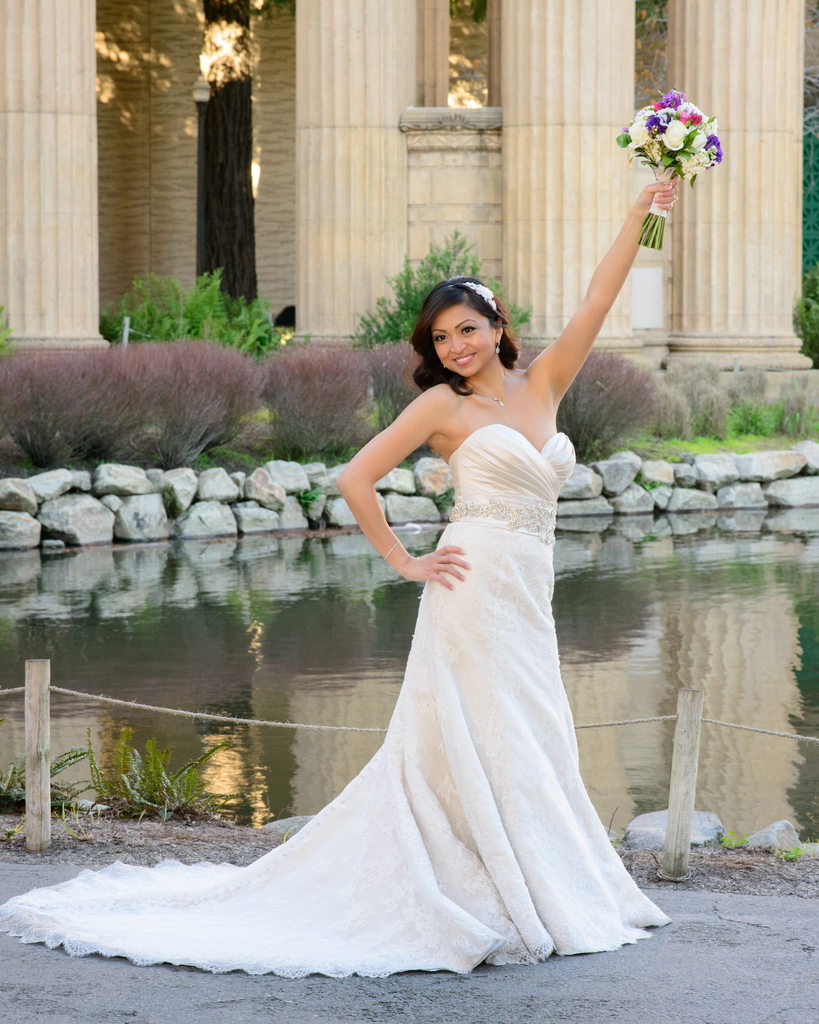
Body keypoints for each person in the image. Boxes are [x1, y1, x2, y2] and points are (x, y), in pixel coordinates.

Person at [0, 180, 678, 977]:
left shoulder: (545, 384)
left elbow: (599, 298)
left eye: (468, 329)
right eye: (440, 337)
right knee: (472, 730)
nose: (456, 346)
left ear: (499, 329)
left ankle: (537, 879)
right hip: (467, 589)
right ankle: (487, 885)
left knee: (531, 731)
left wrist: (642, 211)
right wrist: (405, 561)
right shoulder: (440, 408)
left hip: (529, 595)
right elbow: (356, 479)